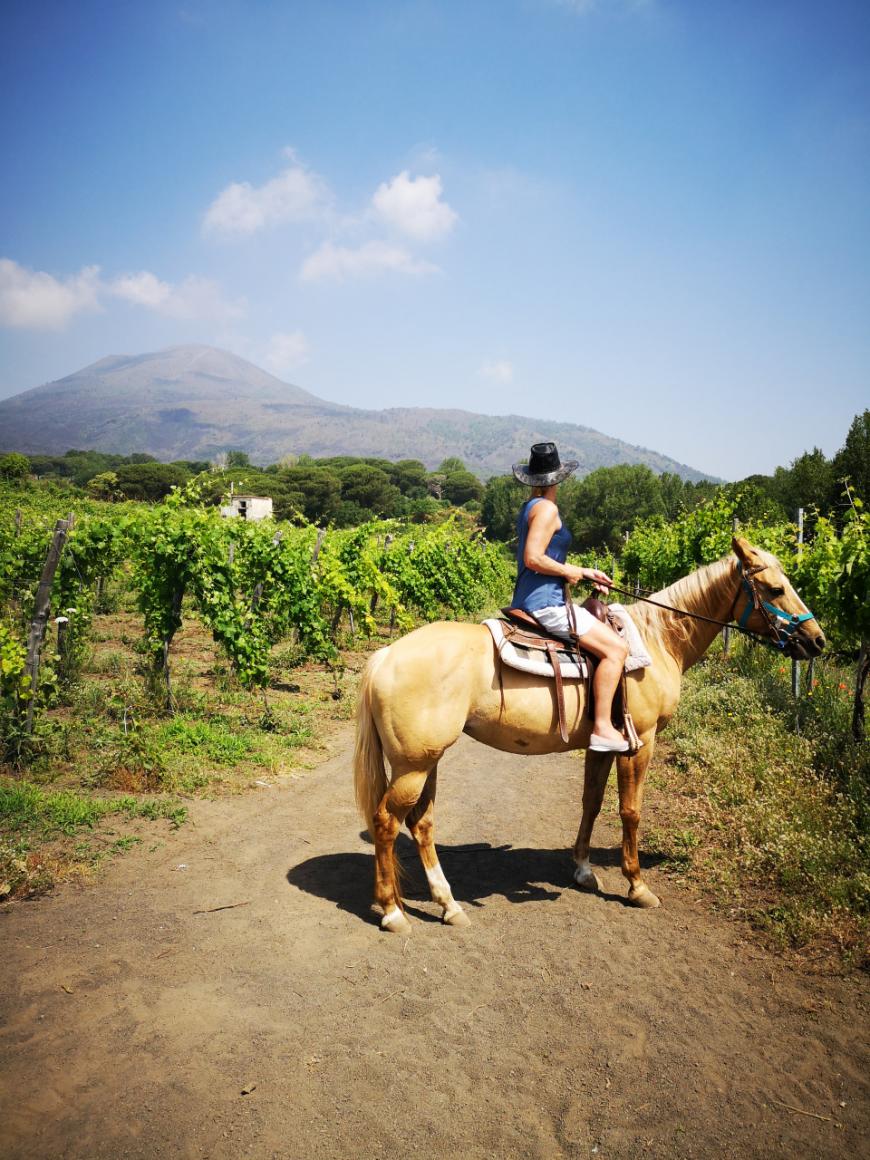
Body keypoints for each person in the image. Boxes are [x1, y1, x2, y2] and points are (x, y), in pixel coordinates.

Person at [511, 442, 630, 753]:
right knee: (617, 649)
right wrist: (569, 571)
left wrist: (585, 573)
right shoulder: (548, 509)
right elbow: (533, 558)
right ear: (557, 479)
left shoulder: (530, 507)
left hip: (537, 597)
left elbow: (540, 560)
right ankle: (603, 727)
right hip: (545, 604)